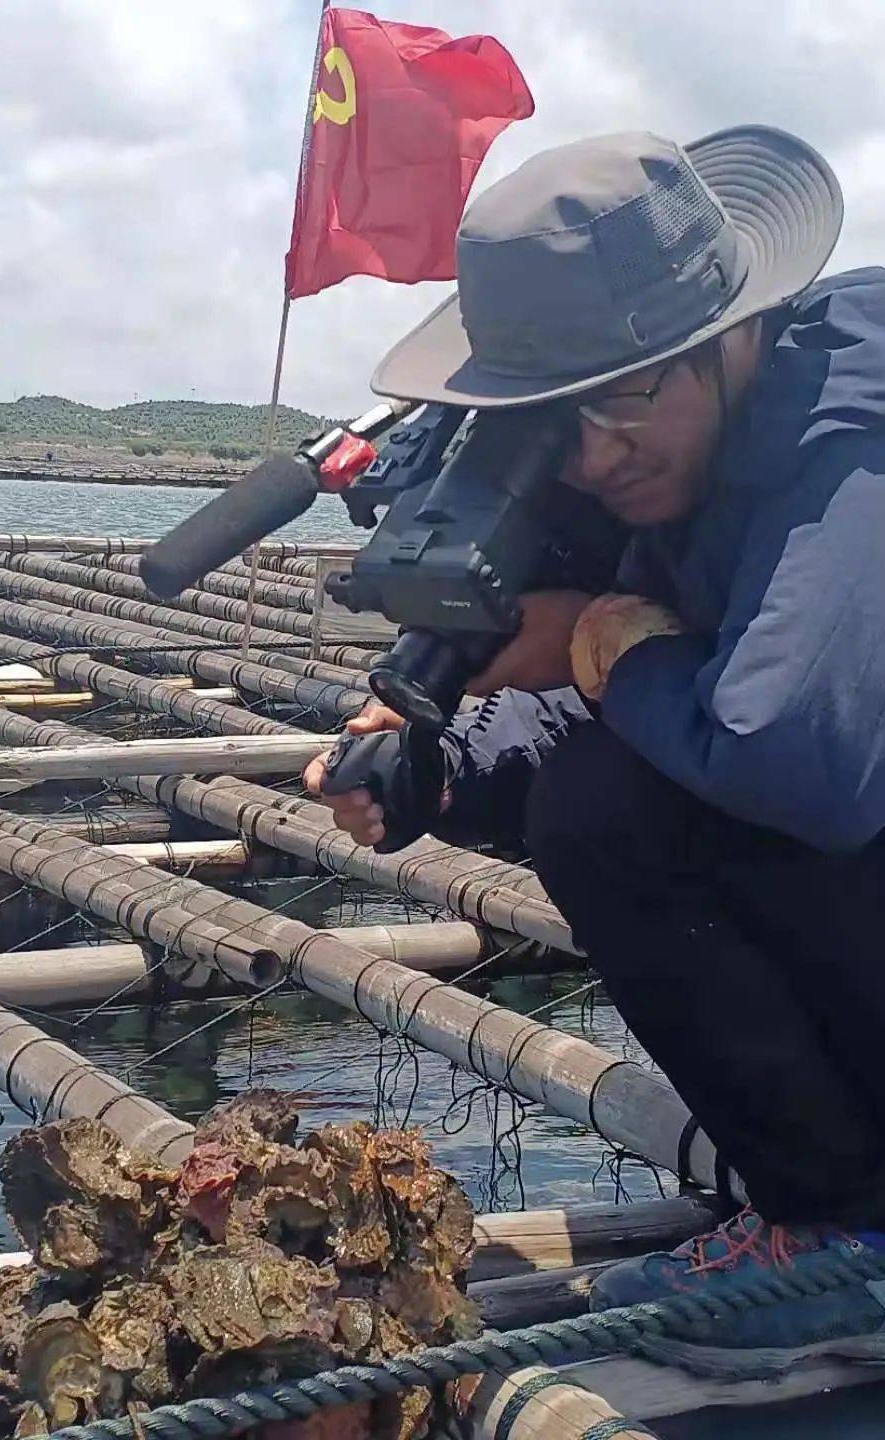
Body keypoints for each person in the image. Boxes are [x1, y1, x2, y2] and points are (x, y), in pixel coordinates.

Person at [304, 126, 885, 1356]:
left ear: (739, 332)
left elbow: (798, 759)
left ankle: (850, 1230)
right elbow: (610, 734)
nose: (594, 453)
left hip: (836, 779)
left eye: (626, 398)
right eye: (557, 418)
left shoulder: (849, 436)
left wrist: (600, 639)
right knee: (593, 794)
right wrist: (442, 761)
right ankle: (835, 1202)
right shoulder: (660, 449)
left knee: (645, 793)